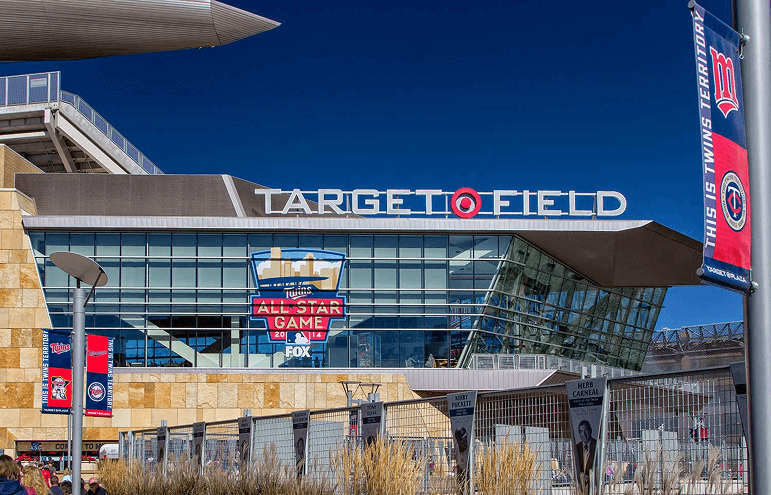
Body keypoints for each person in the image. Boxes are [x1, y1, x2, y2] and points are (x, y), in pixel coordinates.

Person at [574, 420, 597, 488]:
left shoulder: (597, 445)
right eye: (581, 431)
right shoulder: (577, 447)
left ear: (590, 430)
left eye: (585, 430)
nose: (584, 434)